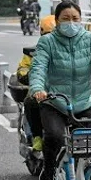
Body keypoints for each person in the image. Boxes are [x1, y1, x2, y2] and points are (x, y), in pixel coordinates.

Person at [29, 2, 91, 180]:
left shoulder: (89, 39)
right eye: (65, 19)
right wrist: (38, 89)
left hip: (83, 102)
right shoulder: (47, 42)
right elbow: (38, 67)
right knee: (55, 137)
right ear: (57, 21)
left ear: (81, 20)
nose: (71, 22)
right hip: (54, 102)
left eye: (75, 18)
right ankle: (48, 169)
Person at [16, 22, 55, 151]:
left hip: (63, 91)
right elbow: (23, 69)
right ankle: (37, 137)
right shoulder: (32, 52)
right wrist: (27, 75)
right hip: (41, 91)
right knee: (31, 102)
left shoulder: (70, 49)